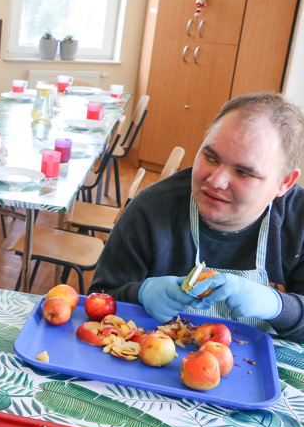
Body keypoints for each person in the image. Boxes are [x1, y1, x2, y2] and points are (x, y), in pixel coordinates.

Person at [89, 92, 304, 342]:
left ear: (285, 182)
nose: (215, 181)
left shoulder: (298, 223)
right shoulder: (150, 210)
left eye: (244, 172)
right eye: (210, 157)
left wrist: (277, 306)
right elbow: (98, 302)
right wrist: (140, 294)